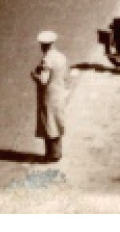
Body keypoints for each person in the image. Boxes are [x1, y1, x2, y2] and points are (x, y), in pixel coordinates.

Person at [32, 30, 69, 162]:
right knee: (57, 121)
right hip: (59, 92)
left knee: (48, 124)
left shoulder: (47, 59)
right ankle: (57, 152)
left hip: (48, 95)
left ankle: (51, 154)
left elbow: (43, 80)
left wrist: (34, 75)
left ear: (43, 45)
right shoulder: (61, 57)